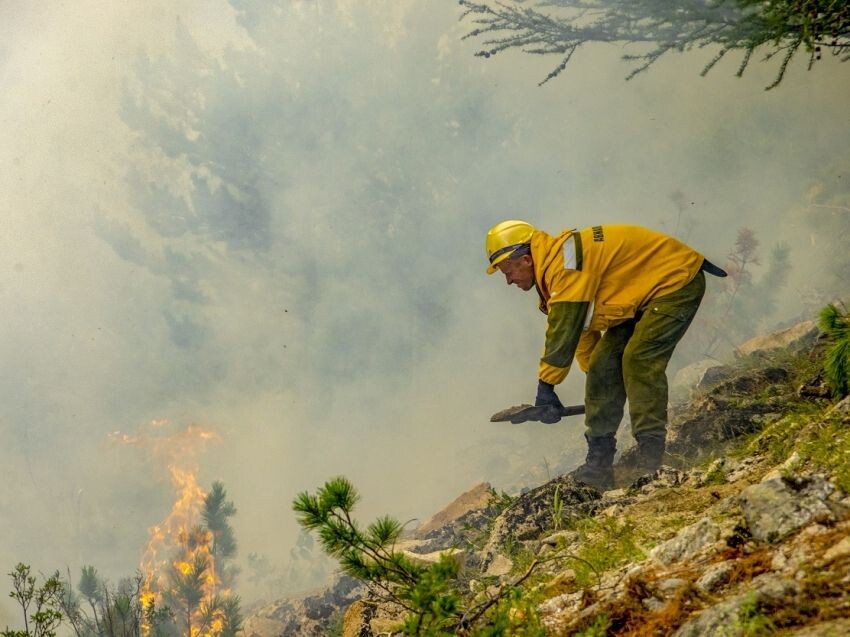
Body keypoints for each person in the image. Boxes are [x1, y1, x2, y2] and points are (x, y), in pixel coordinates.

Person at [485, 220, 725, 489]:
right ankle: (599, 465)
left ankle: (651, 459)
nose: (508, 281)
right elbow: (580, 331)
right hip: (641, 297)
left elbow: (563, 331)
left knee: (638, 359)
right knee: (603, 364)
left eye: (508, 271)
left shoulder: (564, 267)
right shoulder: (555, 271)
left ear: (526, 259)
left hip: (675, 282)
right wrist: (602, 384)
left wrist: (546, 388)